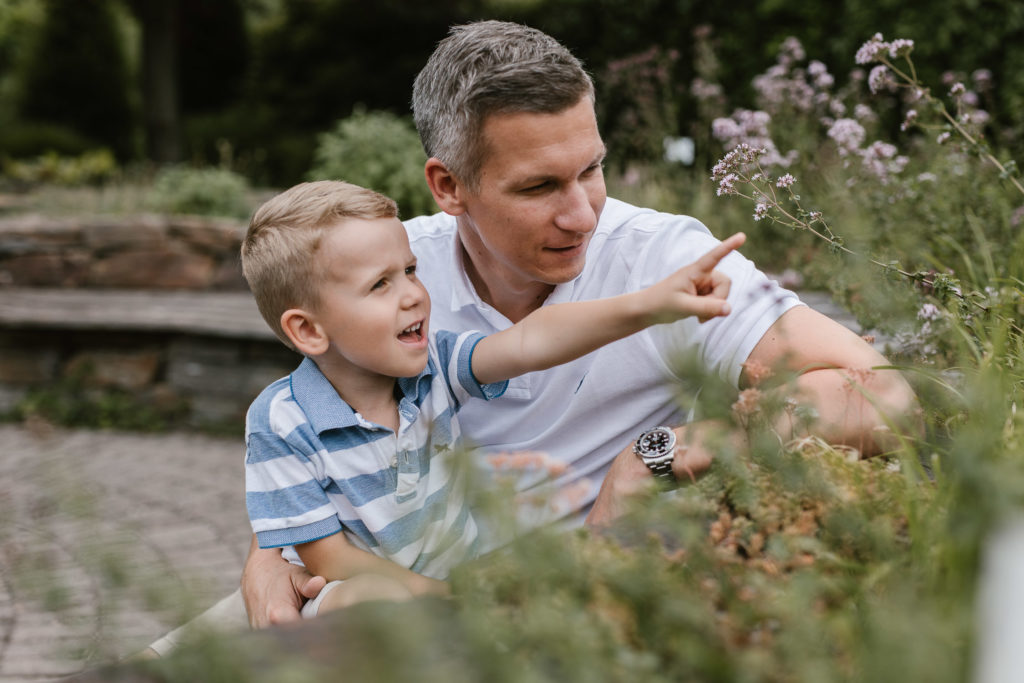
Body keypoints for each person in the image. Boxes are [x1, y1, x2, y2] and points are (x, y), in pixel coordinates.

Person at [142, 20, 918, 655]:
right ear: (448, 186)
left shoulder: (664, 261)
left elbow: (884, 394)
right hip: (372, 585)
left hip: (543, 604)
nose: (582, 213)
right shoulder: (395, 275)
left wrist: (660, 451)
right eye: (540, 186)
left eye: (593, 169)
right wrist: (269, 552)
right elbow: (315, 434)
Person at [240, 178, 743, 617]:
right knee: (370, 599)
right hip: (358, 595)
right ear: (309, 330)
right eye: (380, 285)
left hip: (464, 576)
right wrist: (441, 597)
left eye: (410, 270)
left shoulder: (435, 367)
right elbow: (329, 559)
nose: (413, 294)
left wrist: (649, 305)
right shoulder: (281, 422)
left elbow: (530, 341)